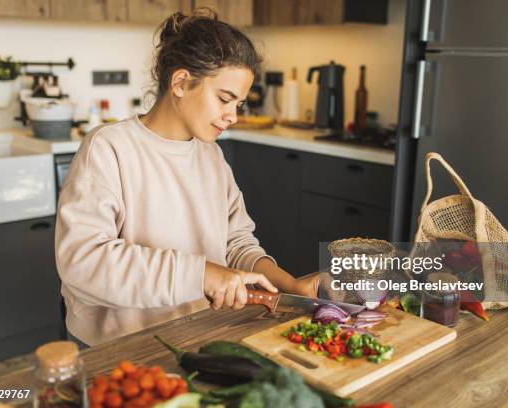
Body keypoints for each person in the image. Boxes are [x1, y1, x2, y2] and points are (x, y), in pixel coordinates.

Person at [55, 9, 319, 347]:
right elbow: (83, 261)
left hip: (198, 334)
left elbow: (235, 243)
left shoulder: (212, 157)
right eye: (225, 98)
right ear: (180, 83)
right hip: (118, 347)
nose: (233, 116)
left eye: (239, 103)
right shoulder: (108, 149)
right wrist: (202, 274)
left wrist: (289, 286)